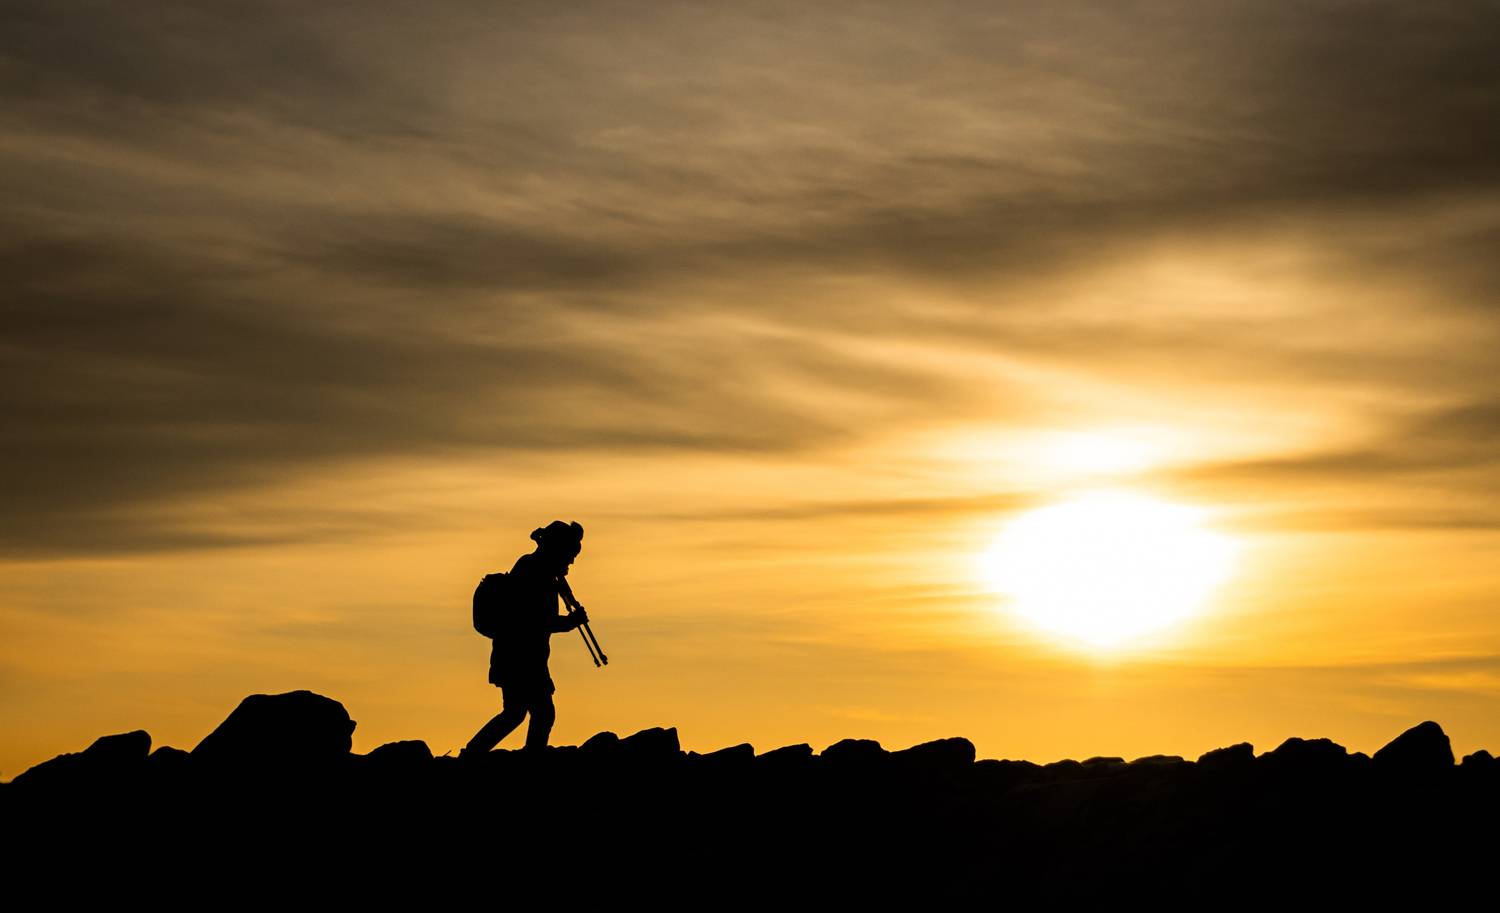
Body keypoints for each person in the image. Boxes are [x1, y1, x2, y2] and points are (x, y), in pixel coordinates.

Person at [462, 520, 589, 755]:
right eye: (570, 555)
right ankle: (527, 758)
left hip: (518, 656)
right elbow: (536, 621)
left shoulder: (537, 570)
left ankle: (474, 753)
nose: (571, 561)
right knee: (541, 712)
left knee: (516, 713)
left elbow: (538, 622)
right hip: (521, 658)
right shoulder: (534, 572)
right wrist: (570, 623)